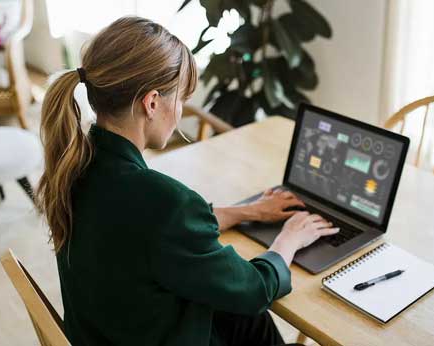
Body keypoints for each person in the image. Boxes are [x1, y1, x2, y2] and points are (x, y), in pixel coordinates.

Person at [34, 16, 338, 346]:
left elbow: (153, 232)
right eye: (180, 99)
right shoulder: (163, 201)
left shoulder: (76, 165)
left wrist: (247, 212)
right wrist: (289, 239)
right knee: (251, 311)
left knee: (245, 319)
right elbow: (254, 289)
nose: (179, 112)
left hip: (112, 331)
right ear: (151, 103)